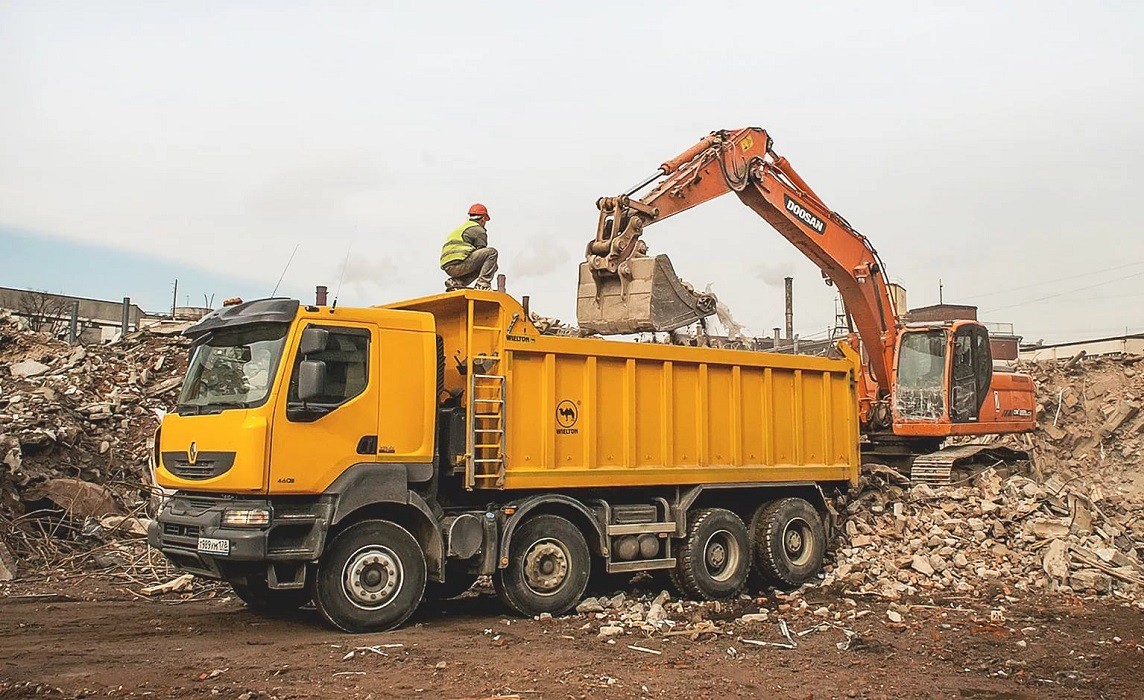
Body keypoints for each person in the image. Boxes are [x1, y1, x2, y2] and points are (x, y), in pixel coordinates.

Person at [440, 203, 499, 290]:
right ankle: (482, 284)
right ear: (483, 218)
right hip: (460, 264)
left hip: (448, 267)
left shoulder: (463, 227)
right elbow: (483, 254)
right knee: (491, 254)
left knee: (488, 265)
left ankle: (457, 282)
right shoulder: (479, 230)